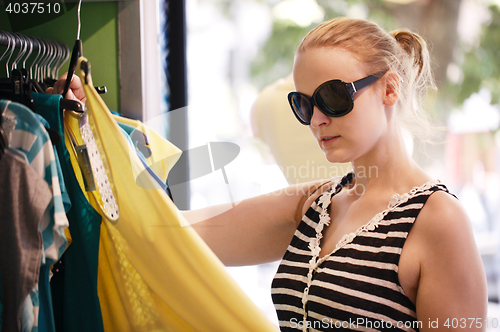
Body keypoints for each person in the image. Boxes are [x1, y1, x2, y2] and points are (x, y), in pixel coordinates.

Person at [52, 17, 487, 332]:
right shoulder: (315, 205)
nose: (317, 119)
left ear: (389, 88)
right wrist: (90, 127)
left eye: (333, 97)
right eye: (303, 104)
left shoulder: (437, 220)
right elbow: (167, 231)